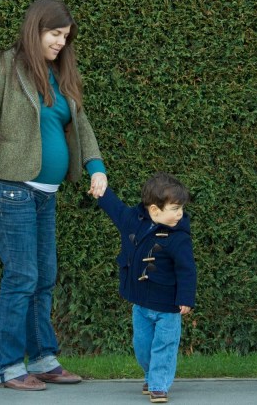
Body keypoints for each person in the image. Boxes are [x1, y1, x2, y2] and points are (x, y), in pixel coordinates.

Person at [0, 0, 108, 391]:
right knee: (22, 275)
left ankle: (43, 358)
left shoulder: (61, 74)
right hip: (9, 188)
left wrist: (96, 166)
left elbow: (81, 125)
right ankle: (10, 366)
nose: (61, 42)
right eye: (55, 33)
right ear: (36, 29)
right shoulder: (3, 66)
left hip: (46, 194)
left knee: (43, 276)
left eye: (66, 36)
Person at [95, 172, 197, 403]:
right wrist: (101, 192)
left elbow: (187, 269)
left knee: (164, 345)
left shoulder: (179, 237)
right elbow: (115, 208)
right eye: (175, 208)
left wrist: (186, 298)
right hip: (140, 303)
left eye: (181, 208)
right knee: (142, 346)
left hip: (168, 306)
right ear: (154, 210)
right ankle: (151, 376)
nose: (180, 214)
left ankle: (159, 385)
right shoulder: (133, 221)